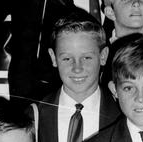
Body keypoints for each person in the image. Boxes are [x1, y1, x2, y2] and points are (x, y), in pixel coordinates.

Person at [32, 8, 120, 142]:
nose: (77, 68)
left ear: (103, 56)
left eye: (87, 58)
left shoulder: (122, 114)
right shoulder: (34, 116)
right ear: (53, 58)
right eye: (67, 59)